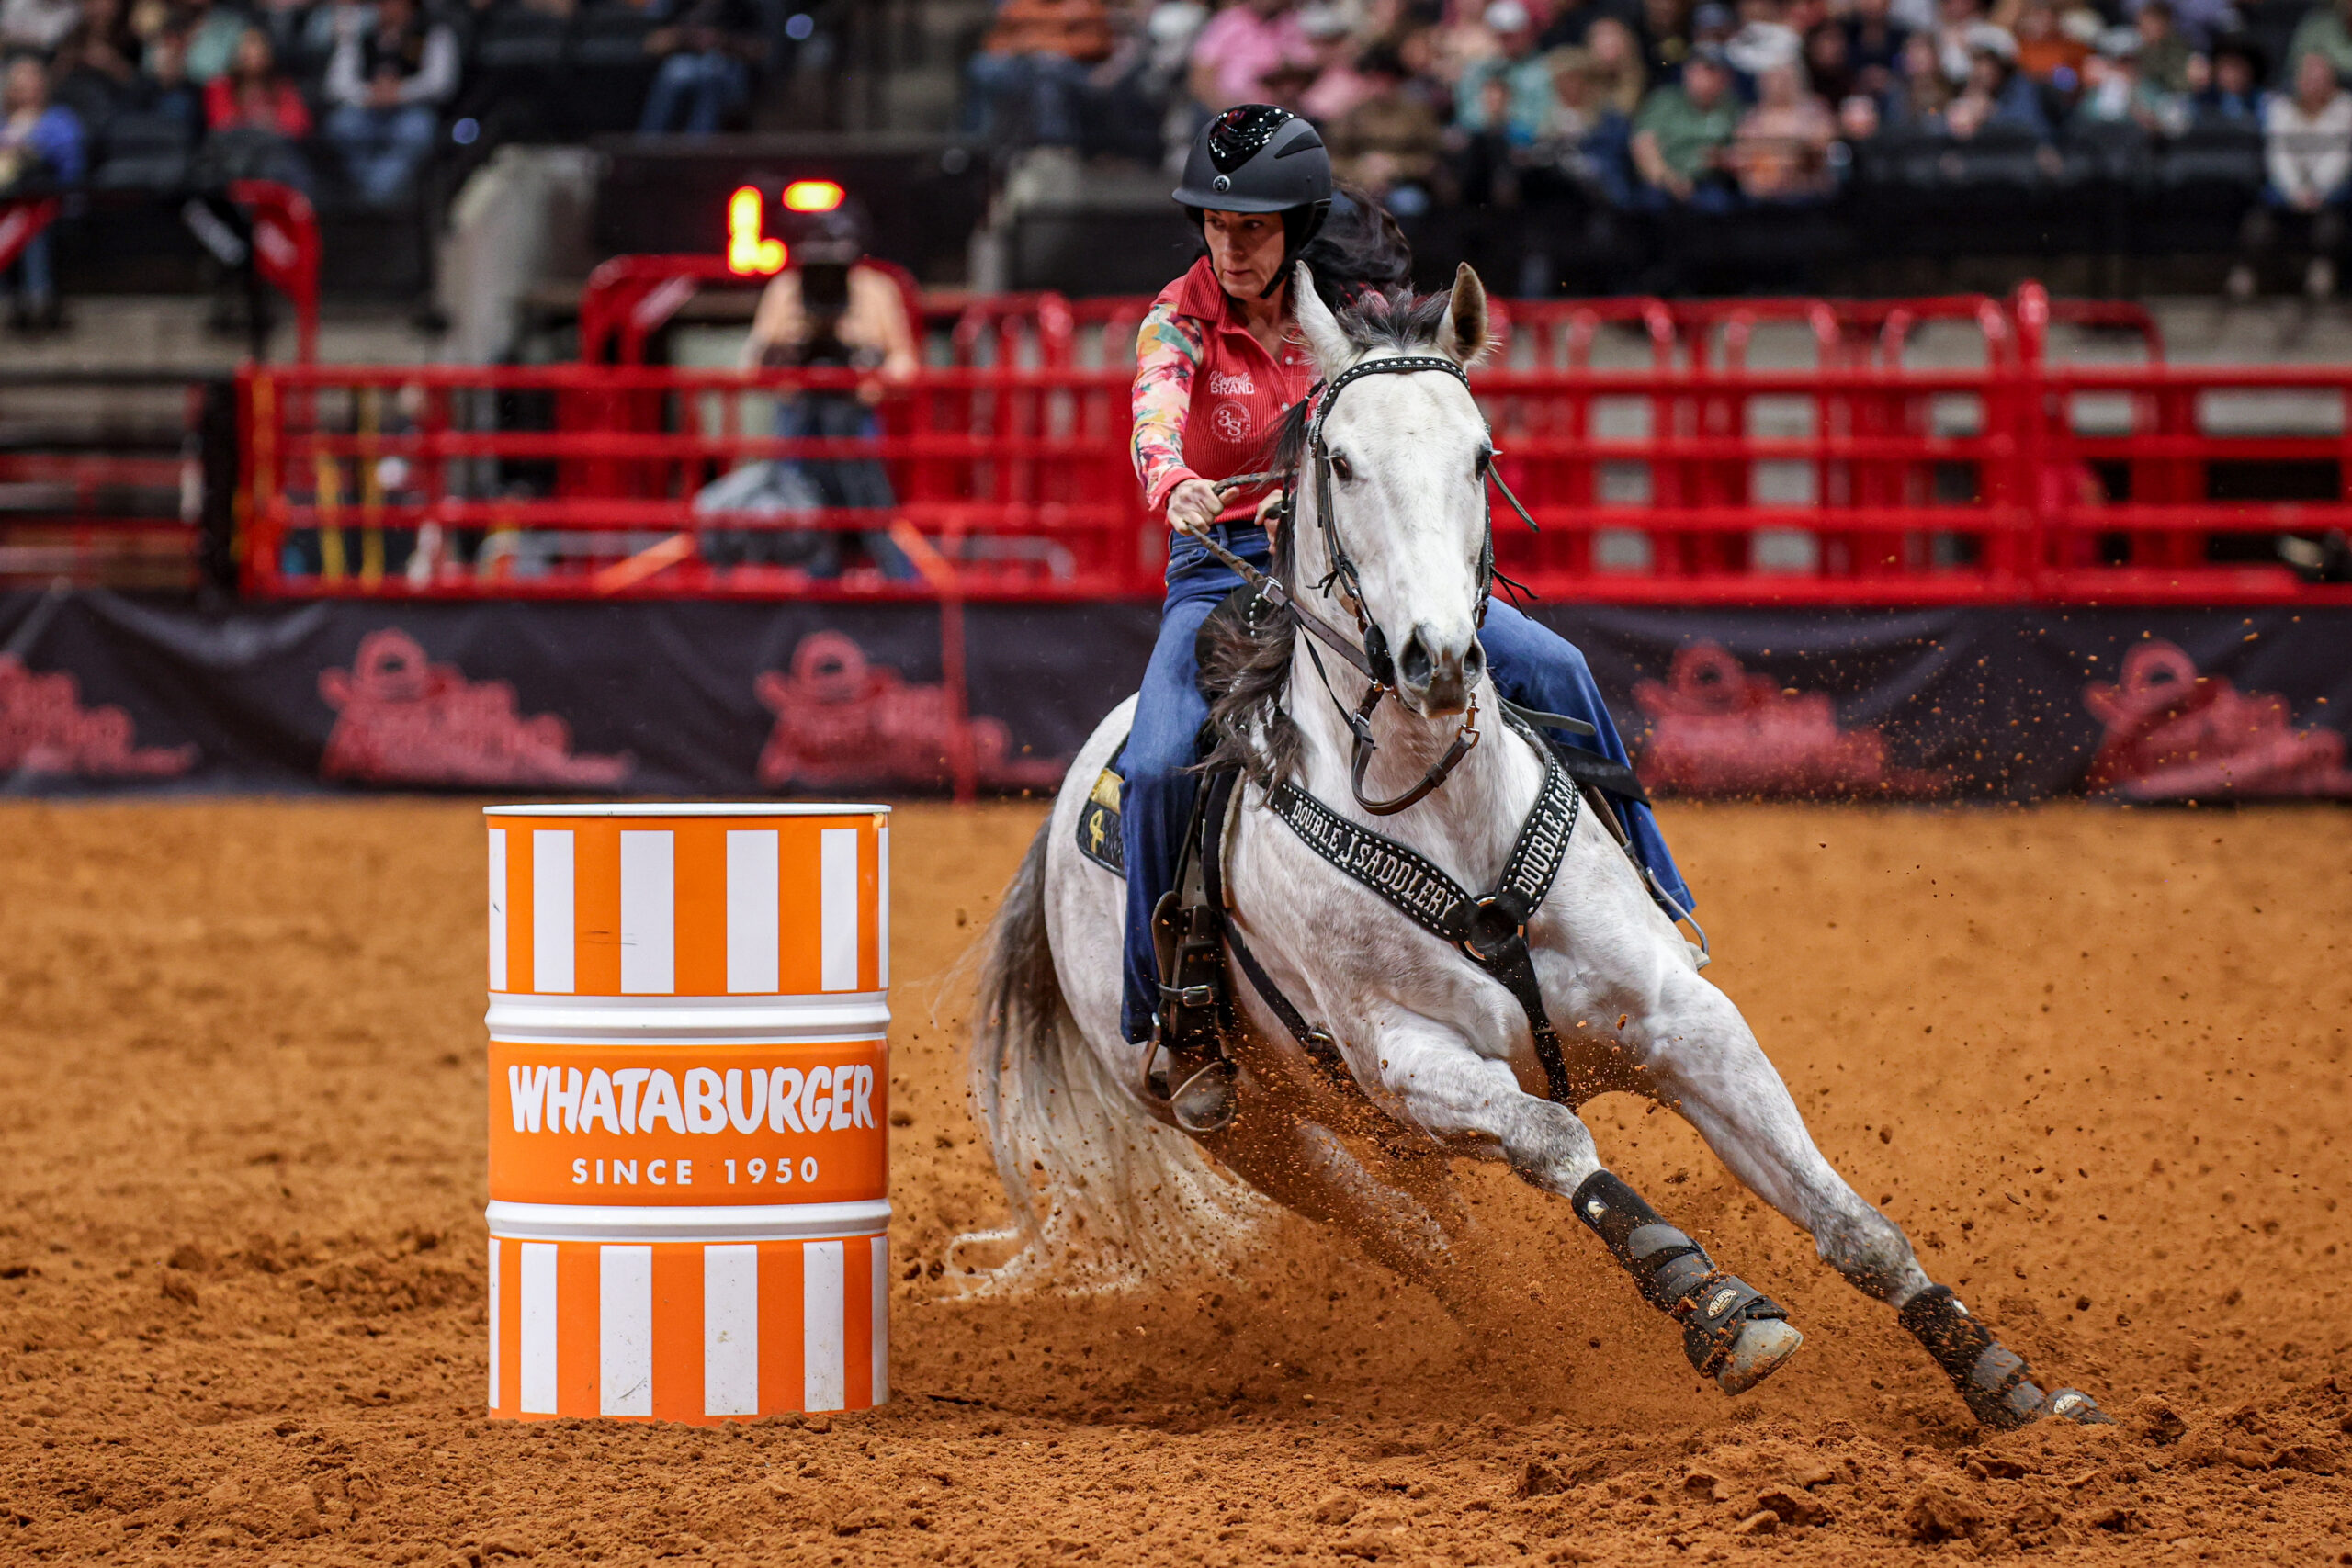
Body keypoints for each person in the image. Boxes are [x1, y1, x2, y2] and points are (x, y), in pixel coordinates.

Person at [1119, 103, 1692, 1120]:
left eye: (1250, 226)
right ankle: (1177, 1010)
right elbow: (1154, 412)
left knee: (1555, 667)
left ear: (1295, 224)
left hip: (1355, 569)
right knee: (1161, 758)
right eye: (1214, 225)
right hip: (1223, 568)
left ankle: (1655, 894)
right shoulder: (1176, 319)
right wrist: (1173, 482)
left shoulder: (1352, 316)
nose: (1229, 245)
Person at [695, 199, 920, 579]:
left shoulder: (878, 290)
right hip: (798, 415)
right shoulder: (785, 290)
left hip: (855, 415)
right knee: (794, 506)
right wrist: (783, 352)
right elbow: (751, 364)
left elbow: (905, 364)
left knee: (875, 510)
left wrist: (867, 370)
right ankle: (807, 582)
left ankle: (899, 581)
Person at [2241, 49, 2352, 297]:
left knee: (2332, 229)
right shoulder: (2280, 110)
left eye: (2321, 79)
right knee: (2257, 228)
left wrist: (2317, 192)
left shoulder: (2346, 110)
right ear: (2299, 81)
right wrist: (2295, 192)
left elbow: (2341, 158)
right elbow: (2278, 157)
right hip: (2285, 197)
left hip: (2329, 198)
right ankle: (2258, 272)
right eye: (2309, 78)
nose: (2314, 84)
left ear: (2331, 82)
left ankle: (2324, 269)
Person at [322, 0, 455, 205]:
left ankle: (376, 198)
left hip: (410, 111)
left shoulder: (431, 31)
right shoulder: (361, 33)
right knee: (341, 125)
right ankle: (364, 196)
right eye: (381, 3)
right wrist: (369, 94)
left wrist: (400, 92)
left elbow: (441, 83)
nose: (385, 8)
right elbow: (335, 85)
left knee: (415, 131)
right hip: (368, 112)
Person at [0, 51, 83, 333]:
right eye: (19, 83)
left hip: (49, 205)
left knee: (30, 226)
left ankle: (39, 299)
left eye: (32, 81)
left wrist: (31, 144)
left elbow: (71, 164)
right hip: (6, 204)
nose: (26, 89)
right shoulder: (2, 123)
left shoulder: (59, 120)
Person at [963, 0, 1112, 150]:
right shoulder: (1020, 5)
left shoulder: (1085, 5)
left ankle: (1052, 146)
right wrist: (1014, 48)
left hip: (1074, 66)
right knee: (981, 66)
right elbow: (998, 39)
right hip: (1023, 61)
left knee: (1046, 72)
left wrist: (1051, 47)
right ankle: (978, 138)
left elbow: (1096, 43)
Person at [1630, 41, 1737, 208]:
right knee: (1652, 202)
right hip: (1664, 181)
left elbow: (1745, 148)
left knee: (1718, 203)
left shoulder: (1733, 107)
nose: (1705, 78)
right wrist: (1669, 179)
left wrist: (1726, 159)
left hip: (1711, 182)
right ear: (1687, 72)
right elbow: (1643, 144)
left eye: (1714, 72)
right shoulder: (1665, 100)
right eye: (1699, 70)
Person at [637, 0, 766, 136]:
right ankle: (649, 144)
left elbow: (761, 49)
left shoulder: (743, 6)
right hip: (685, 62)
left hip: (729, 68)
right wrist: (686, 37)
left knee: (712, 73)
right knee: (675, 70)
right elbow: (651, 44)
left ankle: (698, 150)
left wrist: (723, 41)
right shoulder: (681, 5)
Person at [1729, 58, 1836, 197]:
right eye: (1773, 79)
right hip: (1764, 190)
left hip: (1806, 187)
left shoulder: (1814, 110)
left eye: (1784, 78)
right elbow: (1742, 148)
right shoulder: (1753, 117)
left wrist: (1786, 154)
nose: (1779, 84)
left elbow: (1823, 142)